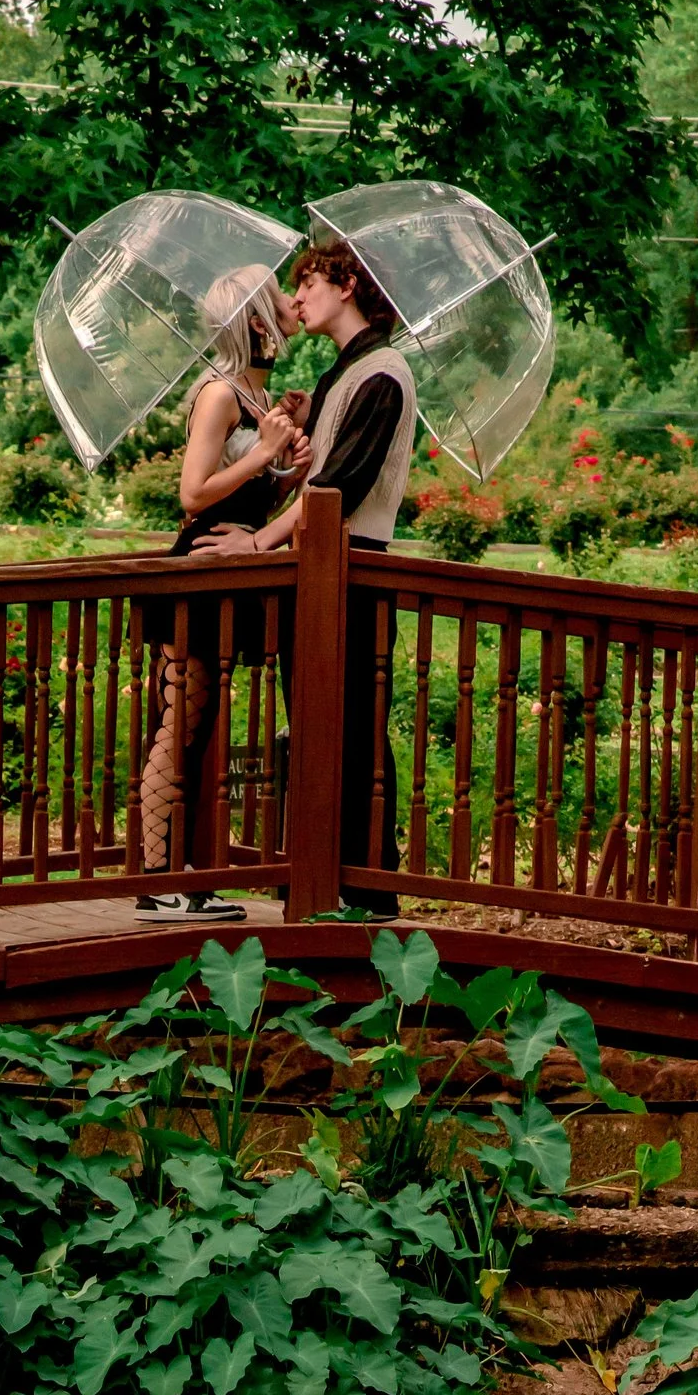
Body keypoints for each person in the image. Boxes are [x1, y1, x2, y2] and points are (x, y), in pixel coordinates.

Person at [196, 235, 415, 910]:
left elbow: (338, 490)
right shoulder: (341, 375)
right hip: (317, 571)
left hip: (352, 569)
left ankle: (368, 890)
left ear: (347, 283)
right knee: (319, 724)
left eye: (309, 282)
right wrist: (290, 427)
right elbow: (309, 476)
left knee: (352, 727)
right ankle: (332, 880)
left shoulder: (383, 373)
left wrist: (257, 546)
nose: (296, 299)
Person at [135, 264, 303, 917]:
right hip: (199, 572)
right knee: (178, 729)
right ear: (258, 322)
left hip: (232, 575)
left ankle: (173, 878)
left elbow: (251, 501)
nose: (295, 300)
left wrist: (291, 472)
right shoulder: (220, 395)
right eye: (281, 295)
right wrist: (264, 455)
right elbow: (193, 492)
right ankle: (153, 884)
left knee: (195, 734)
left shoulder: (260, 399)